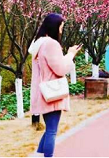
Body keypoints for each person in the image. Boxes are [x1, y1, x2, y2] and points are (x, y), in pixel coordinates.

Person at [29, 13, 81, 157]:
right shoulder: (51, 44)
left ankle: (39, 155)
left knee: (49, 130)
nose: (61, 30)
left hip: (43, 92)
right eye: (61, 27)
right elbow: (60, 69)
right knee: (52, 130)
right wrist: (70, 55)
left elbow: (53, 65)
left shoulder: (39, 43)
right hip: (52, 93)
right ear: (55, 27)